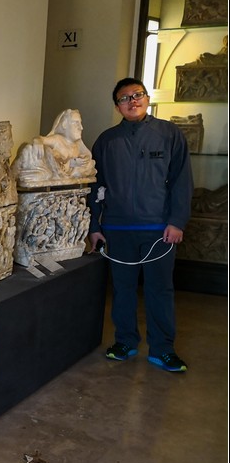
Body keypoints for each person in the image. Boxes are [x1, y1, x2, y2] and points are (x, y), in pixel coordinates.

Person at [88, 78, 193, 373]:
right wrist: (95, 226)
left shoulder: (169, 134)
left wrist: (177, 221)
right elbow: (96, 186)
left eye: (137, 95)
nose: (132, 101)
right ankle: (125, 341)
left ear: (147, 99)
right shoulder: (106, 141)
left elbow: (182, 181)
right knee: (122, 288)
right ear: (117, 106)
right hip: (118, 228)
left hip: (158, 229)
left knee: (160, 289)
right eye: (124, 98)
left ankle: (163, 349)